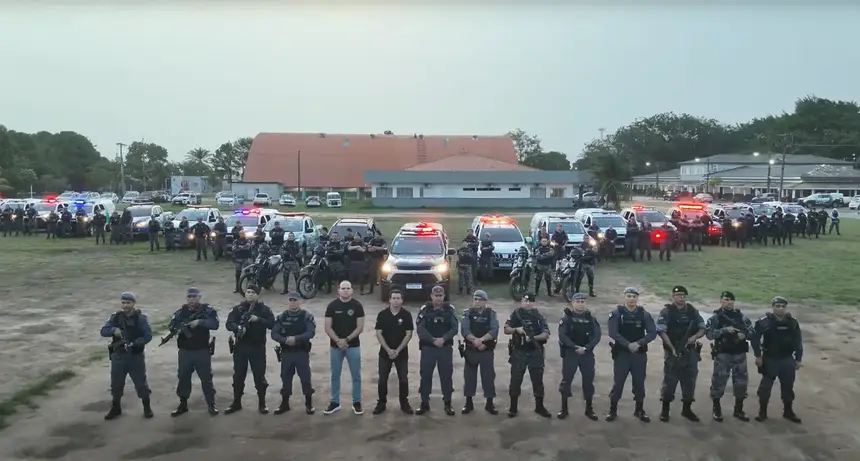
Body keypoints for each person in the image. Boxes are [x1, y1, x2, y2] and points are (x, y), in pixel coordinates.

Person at [606, 287, 657, 422]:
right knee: (618, 383)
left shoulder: (644, 314)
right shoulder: (617, 313)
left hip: (639, 354)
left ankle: (639, 410)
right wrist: (628, 344)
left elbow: (652, 332)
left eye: (634, 296)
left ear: (637, 298)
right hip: (622, 354)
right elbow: (613, 332)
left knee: (639, 383)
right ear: (624, 297)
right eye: (629, 296)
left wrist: (639, 343)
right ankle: (613, 409)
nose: (631, 299)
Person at [99, 292, 153, 420]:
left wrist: (135, 343)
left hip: (135, 356)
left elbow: (148, 336)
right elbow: (103, 331)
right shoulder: (115, 318)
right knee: (116, 384)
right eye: (123, 302)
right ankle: (116, 407)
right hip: (119, 356)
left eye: (128, 302)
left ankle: (147, 407)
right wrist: (114, 331)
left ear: (133, 304)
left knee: (140, 383)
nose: (125, 305)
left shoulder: (141, 319)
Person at [656, 285, 706, 422]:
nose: (681, 298)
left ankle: (687, 409)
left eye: (683, 295)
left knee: (690, 381)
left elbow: (702, 327)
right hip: (673, 351)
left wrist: (694, 338)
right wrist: (671, 348)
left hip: (690, 352)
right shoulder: (667, 311)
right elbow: (661, 331)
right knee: (670, 382)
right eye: (678, 295)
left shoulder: (692, 311)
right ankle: (665, 410)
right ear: (673, 296)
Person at [751, 296, 803, 424]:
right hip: (770, 359)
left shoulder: (793, 322)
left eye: (783, 306)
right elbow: (755, 339)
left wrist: (798, 359)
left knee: (788, 387)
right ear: (773, 307)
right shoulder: (764, 322)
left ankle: (788, 411)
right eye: (777, 306)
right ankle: (762, 412)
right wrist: (758, 356)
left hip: (787, 359)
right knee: (765, 388)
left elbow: (798, 341)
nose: (780, 308)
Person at [224, 285, 275, 415]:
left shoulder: (264, 309)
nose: (250, 294)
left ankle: (262, 403)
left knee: (259, 376)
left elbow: (272, 324)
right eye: (248, 292)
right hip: (241, 347)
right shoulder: (238, 309)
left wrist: (258, 320)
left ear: (258, 295)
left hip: (257, 347)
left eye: (253, 292)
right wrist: (238, 328)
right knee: (238, 376)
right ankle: (236, 402)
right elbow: (229, 324)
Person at [169, 287, 219, 416]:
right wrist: (177, 329)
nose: (191, 300)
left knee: (206, 378)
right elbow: (171, 325)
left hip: (201, 350)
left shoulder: (207, 311)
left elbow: (214, 324)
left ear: (199, 298)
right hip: (185, 351)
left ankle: (211, 403)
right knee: (183, 378)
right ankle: (183, 404)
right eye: (189, 297)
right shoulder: (180, 313)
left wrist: (200, 322)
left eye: (194, 297)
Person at [705, 291, 754, 422]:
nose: (729, 302)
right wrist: (724, 331)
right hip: (723, 355)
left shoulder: (741, 317)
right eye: (726, 299)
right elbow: (709, 334)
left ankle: (738, 410)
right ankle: (717, 409)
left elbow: (752, 331)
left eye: (731, 300)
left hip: (739, 355)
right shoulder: (716, 317)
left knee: (741, 384)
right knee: (718, 383)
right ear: (721, 301)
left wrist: (744, 335)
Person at [504, 292, 552, 418]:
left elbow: (546, 333)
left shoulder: (539, 316)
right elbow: (506, 329)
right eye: (525, 301)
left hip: (536, 351)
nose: (527, 303)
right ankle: (513, 407)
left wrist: (533, 338)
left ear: (533, 303)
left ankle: (539, 407)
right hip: (519, 351)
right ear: (521, 302)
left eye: (530, 301)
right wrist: (516, 329)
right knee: (515, 380)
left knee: (537, 381)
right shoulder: (516, 314)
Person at [415, 285, 459, 415]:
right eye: (436, 295)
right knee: (425, 376)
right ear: (431, 296)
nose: (438, 298)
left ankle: (448, 403)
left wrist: (443, 339)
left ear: (444, 296)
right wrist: (433, 340)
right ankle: (424, 403)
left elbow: (455, 328)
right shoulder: (425, 310)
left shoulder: (449, 309)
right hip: (428, 348)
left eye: (440, 295)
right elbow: (420, 329)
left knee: (446, 376)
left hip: (444, 349)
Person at [323, 281, 365, 415]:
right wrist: (337, 340)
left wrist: (346, 340)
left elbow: (360, 327)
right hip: (335, 347)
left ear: (352, 290)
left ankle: (356, 402)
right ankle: (335, 402)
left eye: (348, 288)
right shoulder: (332, 306)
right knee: (335, 375)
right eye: (343, 288)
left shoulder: (357, 306)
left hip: (353, 346)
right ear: (338, 290)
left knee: (356, 375)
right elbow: (327, 327)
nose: (345, 290)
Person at [271, 292, 317, 415]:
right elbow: (274, 333)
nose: (293, 302)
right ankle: (284, 404)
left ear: (300, 301)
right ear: (287, 301)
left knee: (305, 378)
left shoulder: (306, 316)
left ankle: (309, 404)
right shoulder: (282, 317)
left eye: (295, 300)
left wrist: (295, 339)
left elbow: (311, 332)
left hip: (301, 352)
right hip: (287, 353)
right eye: (290, 300)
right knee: (285, 378)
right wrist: (285, 340)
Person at [557, 292, 601, 420]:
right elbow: (562, 335)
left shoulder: (590, 318)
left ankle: (589, 409)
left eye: (582, 302)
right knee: (566, 381)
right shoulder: (567, 318)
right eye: (578, 301)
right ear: (572, 303)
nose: (580, 304)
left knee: (588, 382)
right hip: (571, 353)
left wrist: (586, 348)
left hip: (586, 354)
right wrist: (574, 347)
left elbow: (597, 335)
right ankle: (564, 408)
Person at [373, 289, 415, 415]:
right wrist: (388, 349)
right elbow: (378, 333)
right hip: (385, 353)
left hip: (401, 353)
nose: (396, 301)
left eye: (398, 298)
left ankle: (404, 403)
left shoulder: (406, 315)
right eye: (394, 298)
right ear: (389, 300)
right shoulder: (382, 314)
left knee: (403, 379)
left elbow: (409, 334)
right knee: (382, 380)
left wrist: (397, 350)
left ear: (402, 300)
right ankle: (381, 403)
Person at [460, 289, 499, 415]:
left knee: (488, 377)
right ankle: (469, 402)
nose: (477, 302)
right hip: (471, 350)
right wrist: (475, 341)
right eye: (475, 299)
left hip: (486, 350)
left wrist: (481, 340)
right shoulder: (467, 313)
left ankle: (489, 403)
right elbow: (465, 330)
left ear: (485, 301)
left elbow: (494, 331)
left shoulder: (491, 314)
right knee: (469, 377)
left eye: (480, 299)